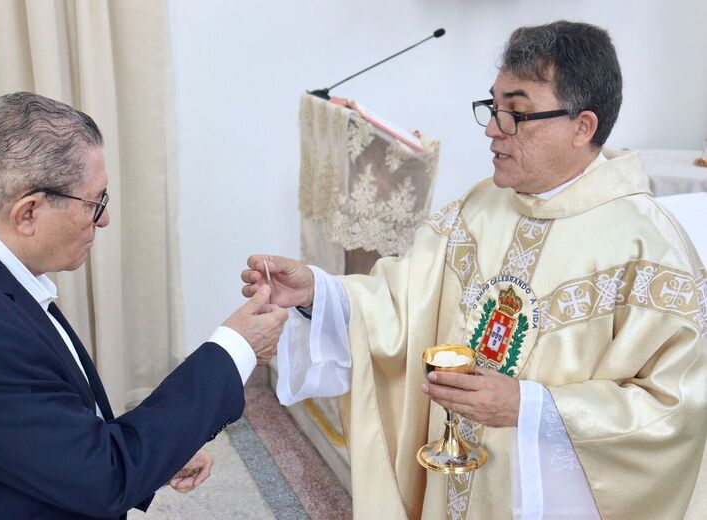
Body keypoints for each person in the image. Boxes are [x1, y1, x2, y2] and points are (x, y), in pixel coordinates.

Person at [242, 21, 707, 520]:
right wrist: (318, 291)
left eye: (517, 113)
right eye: (493, 107)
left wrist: (530, 409)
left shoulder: (648, 249)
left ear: (582, 127)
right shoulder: (481, 208)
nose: (492, 129)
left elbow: (676, 409)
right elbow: (402, 301)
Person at [0, 92, 288, 518]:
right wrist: (237, 346)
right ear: (28, 212)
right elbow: (104, 478)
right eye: (95, 202)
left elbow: (44, 432)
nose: (104, 220)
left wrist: (156, 451)